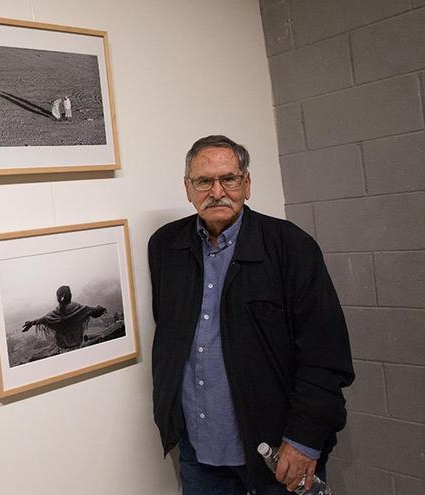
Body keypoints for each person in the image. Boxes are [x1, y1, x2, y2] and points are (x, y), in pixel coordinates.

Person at [148, 135, 354, 494]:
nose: (217, 191)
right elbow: (170, 338)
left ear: (246, 184)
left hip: (277, 452)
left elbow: (325, 357)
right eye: (203, 181)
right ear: (188, 188)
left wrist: (304, 440)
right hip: (200, 452)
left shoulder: (291, 247)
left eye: (229, 179)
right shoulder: (166, 247)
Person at [21, 285, 107, 353]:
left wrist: (30, 323)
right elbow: (94, 311)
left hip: (62, 349)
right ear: (70, 296)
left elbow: (41, 320)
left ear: (58, 299)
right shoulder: (80, 309)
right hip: (78, 345)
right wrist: (99, 308)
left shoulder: (54, 313)